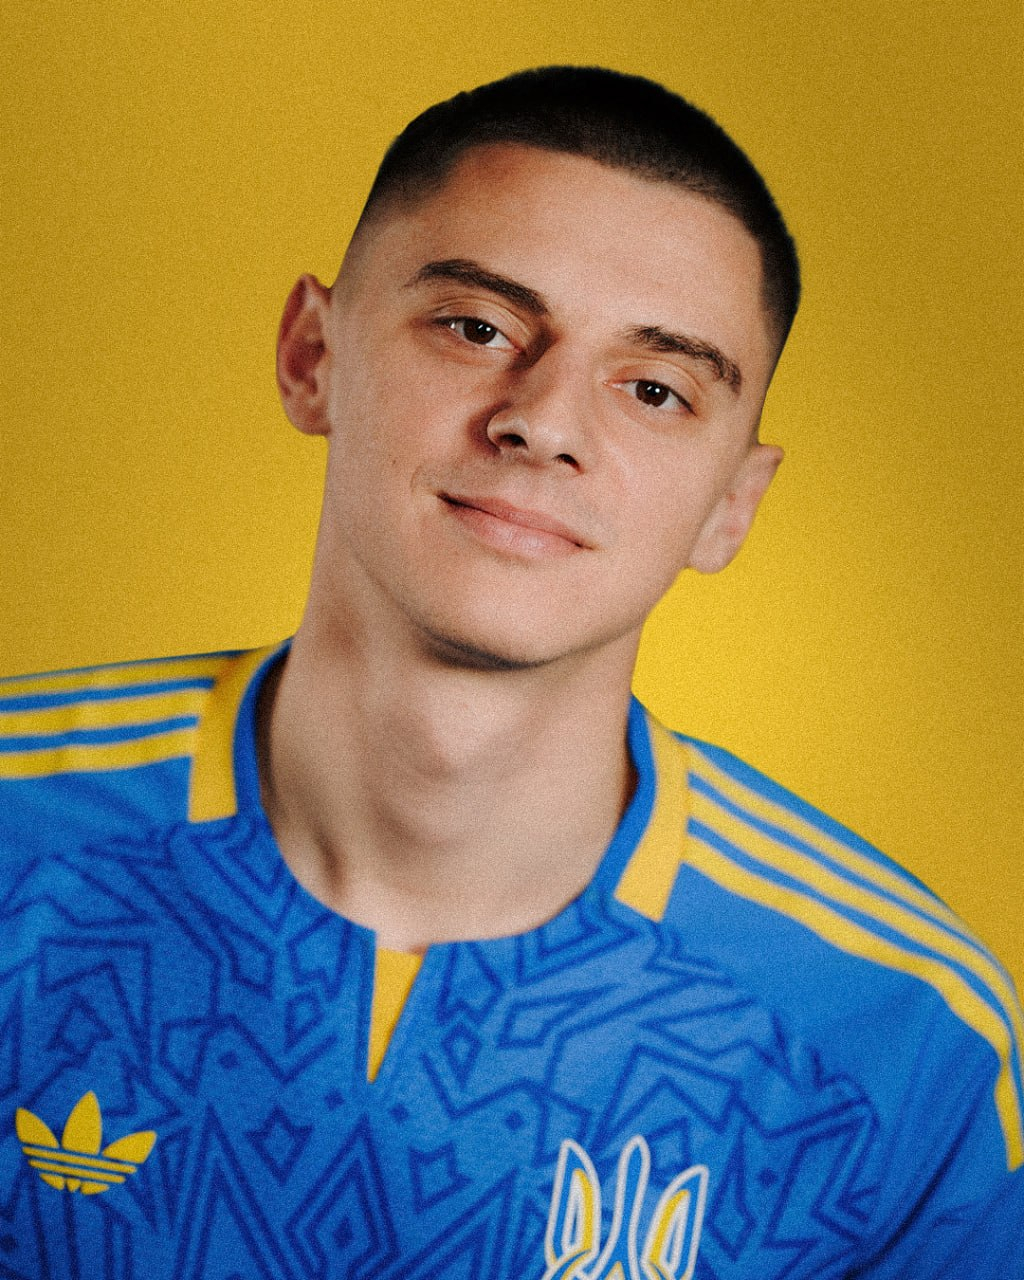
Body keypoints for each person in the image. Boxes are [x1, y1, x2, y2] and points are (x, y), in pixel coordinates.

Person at [0, 66, 1020, 1279]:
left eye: (655, 389)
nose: (544, 421)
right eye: (476, 328)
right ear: (312, 355)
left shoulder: (905, 1042)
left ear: (732, 505)